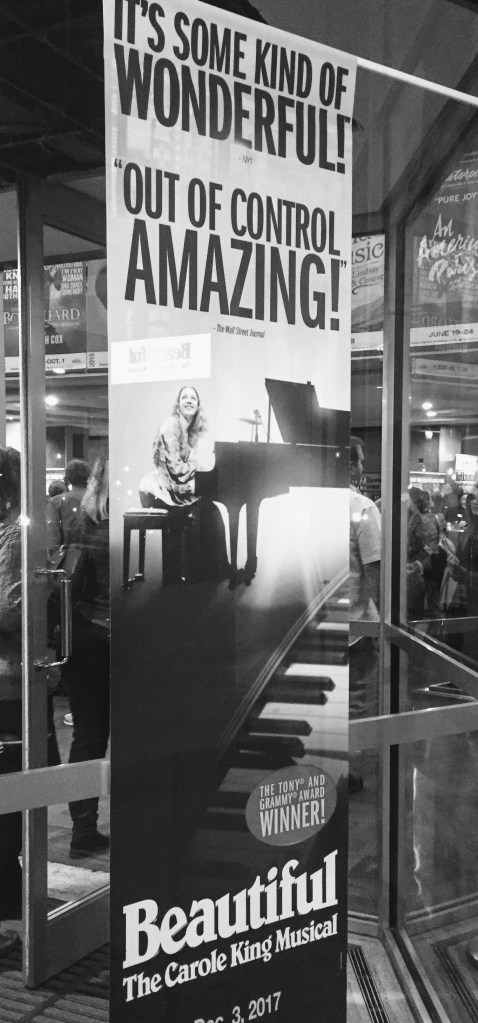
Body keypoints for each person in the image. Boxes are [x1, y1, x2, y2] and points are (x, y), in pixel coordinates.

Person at [0, 447, 60, 950]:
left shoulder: (19, 534)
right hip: (9, 680)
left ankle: (12, 912)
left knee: (11, 802)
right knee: (7, 803)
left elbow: (19, 606)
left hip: (14, 679)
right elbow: (13, 604)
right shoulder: (12, 533)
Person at [61, 457, 110, 859]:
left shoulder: (83, 521)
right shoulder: (128, 520)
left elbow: (71, 582)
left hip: (86, 634)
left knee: (88, 736)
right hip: (122, 638)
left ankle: (83, 830)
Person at [139, 386, 228, 584]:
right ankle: (187, 574)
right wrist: (198, 471)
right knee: (197, 511)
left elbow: (189, 466)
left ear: (198, 405)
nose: (189, 401)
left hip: (172, 486)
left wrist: (203, 471)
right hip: (157, 490)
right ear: (178, 404)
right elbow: (176, 467)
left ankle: (209, 572)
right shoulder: (171, 425)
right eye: (184, 397)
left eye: (193, 398)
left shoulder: (186, 430)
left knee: (210, 510)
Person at [349, 436, 381, 793]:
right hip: (354, 628)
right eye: (359, 461)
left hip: (315, 624)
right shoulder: (362, 507)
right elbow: (374, 572)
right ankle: (348, 773)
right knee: (354, 702)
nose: (362, 468)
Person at [408, 490, 446, 618]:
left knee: (417, 600)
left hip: (421, 562)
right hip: (434, 559)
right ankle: (436, 626)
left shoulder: (416, 518)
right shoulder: (436, 517)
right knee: (433, 601)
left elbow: (413, 541)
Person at [47, 457, 91, 557]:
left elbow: (53, 540)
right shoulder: (97, 500)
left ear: (67, 479)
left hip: (68, 559)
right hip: (99, 559)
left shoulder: (56, 503)